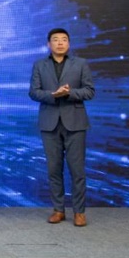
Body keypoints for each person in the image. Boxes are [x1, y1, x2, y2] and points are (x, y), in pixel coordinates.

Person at [29, 28, 95, 227]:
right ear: (48, 44)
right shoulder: (39, 65)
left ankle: (79, 212)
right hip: (49, 123)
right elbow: (33, 92)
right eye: (56, 40)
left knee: (77, 170)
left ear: (69, 44)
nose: (60, 43)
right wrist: (53, 95)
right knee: (53, 169)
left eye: (64, 39)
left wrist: (69, 93)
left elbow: (89, 91)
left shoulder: (80, 64)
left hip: (75, 123)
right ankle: (58, 209)